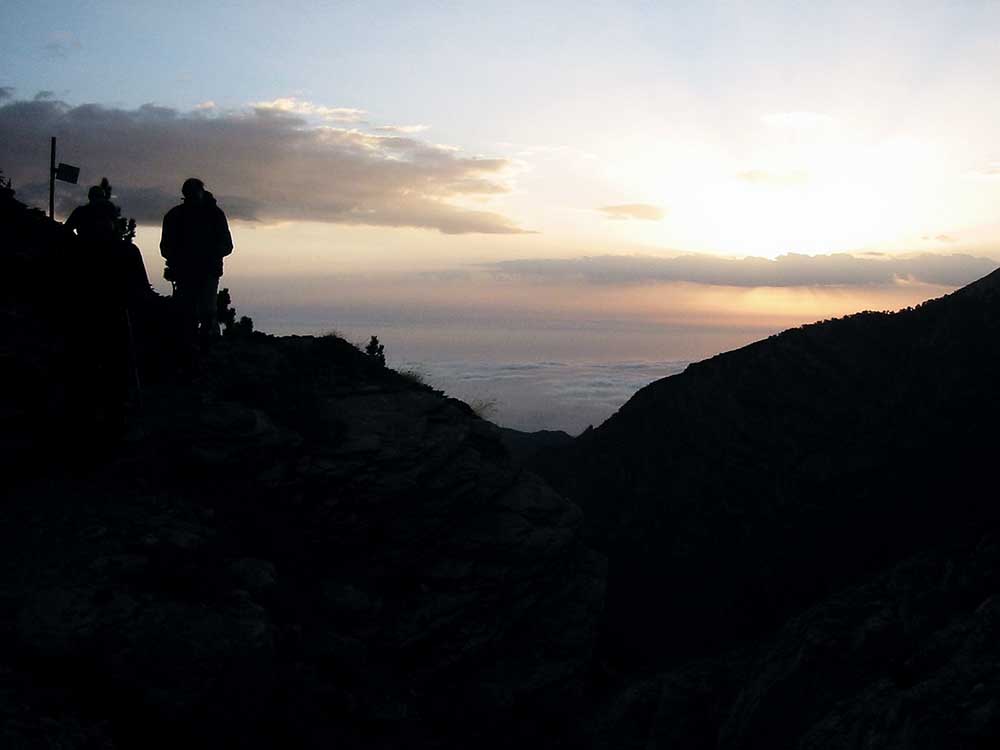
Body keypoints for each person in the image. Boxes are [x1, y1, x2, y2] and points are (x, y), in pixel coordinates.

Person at [159, 178, 233, 342]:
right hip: (185, 273)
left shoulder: (214, 215)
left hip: (206, 271)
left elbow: (227, 245)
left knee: (207, 311)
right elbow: (165, 248)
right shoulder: (175, 216)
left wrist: (206, 255)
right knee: (188, 313)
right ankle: (192, 348)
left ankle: (210, 346)